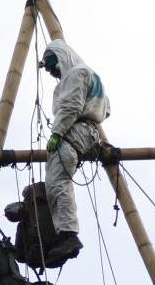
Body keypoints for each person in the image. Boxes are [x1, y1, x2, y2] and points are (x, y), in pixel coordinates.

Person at [40, 38, 111, 265]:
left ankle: (68, 234)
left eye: (53, 67)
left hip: (75, 132)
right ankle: (65, 233)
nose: (52, 72)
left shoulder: (75, 75)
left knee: (58, 180)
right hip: (92, 134)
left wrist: (57, 133)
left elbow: (71, 106)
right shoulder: (90, 74)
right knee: (59, 178)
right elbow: (106, 109)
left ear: (62, 59)